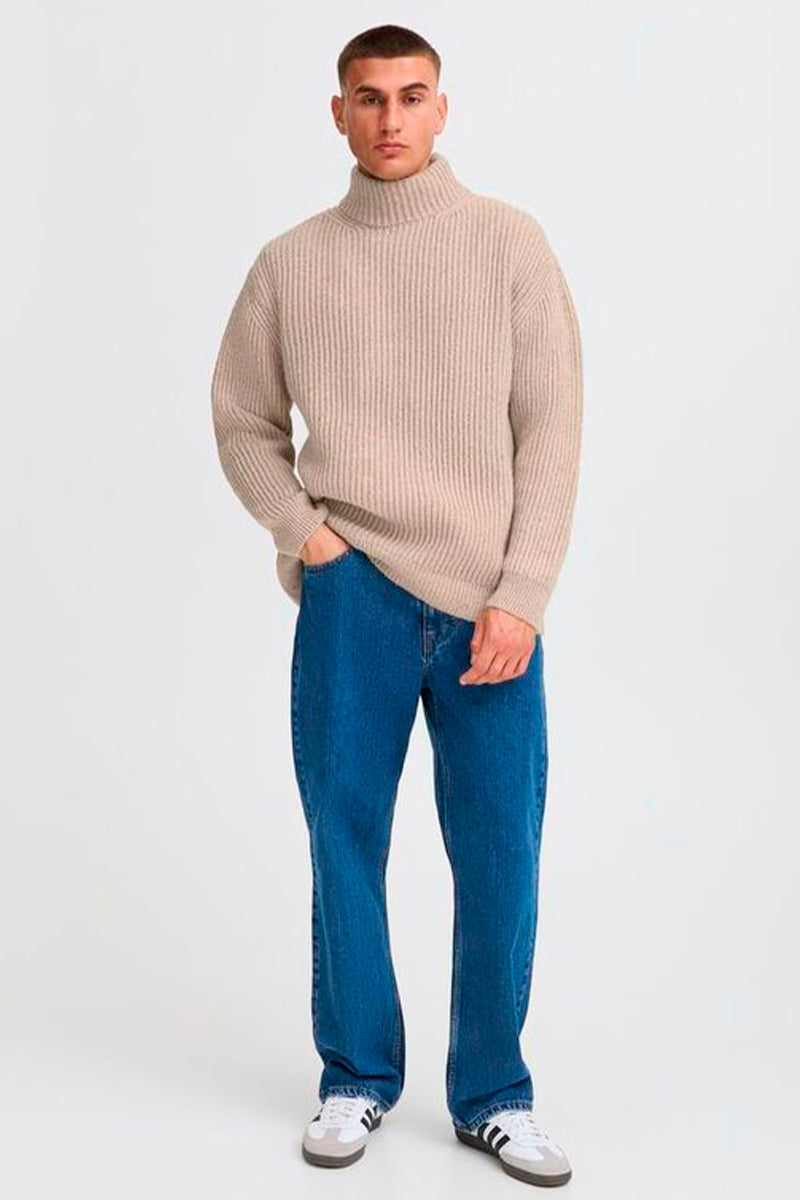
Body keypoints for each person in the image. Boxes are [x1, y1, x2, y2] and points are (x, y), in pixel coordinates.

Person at [211, 22, 582, 1189]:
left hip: (486, 604)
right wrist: (309, 539)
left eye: (410, 96)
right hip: (352, 596)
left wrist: (521, 594)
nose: (389, 118)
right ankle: (356, 1074)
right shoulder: (290, 264)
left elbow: (550, 431)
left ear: (440, 108)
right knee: (344, 839)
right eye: (367, 98)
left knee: (501, 851)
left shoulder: (508, 243)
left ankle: (493, 1094)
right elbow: (240, 420)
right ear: (337, 113)